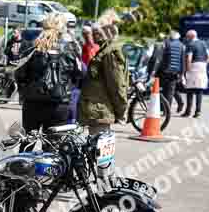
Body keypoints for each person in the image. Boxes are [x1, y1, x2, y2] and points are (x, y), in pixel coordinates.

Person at [14, 13, 82, 150]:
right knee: (53, 147)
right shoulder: (71, 48)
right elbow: (78, 74)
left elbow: (19, 73)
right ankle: (49, 171)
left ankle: (22, 169)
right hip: (59, 104)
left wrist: (24, 90)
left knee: (27, 142)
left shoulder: (32, 47)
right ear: (63, 28)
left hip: (33, 102)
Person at [79, 10, 128, 160]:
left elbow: (117, 85)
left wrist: (121, 111)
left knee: (102, 159)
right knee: (97, 155)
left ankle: (102, 182)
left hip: (101, 112)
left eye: (97, 31)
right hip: (98, 111)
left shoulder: (110, 53)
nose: (94, 34)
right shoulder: (105, 50)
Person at [183, 29, 209, 118]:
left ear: (191, 37)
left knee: (190, 90)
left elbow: (189, 58)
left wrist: (187, 69)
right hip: (202, 66)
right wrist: (204, 64)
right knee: (199, 90)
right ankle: (198, 112)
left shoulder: (190, 44)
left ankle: (188, 112)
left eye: (187, 37)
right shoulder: (203, 43)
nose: (186, 38)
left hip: (194, 66)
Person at [156, 30, 186, 114]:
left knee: (161, 90)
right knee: (170, 91)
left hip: (164, 71)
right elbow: (182, 61)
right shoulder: (182, 46)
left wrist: (156, 70)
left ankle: (163, 108)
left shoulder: (166, 43)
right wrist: (182, 73)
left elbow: (160, 58)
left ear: (170, 37)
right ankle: (166, 110)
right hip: (175, 72)